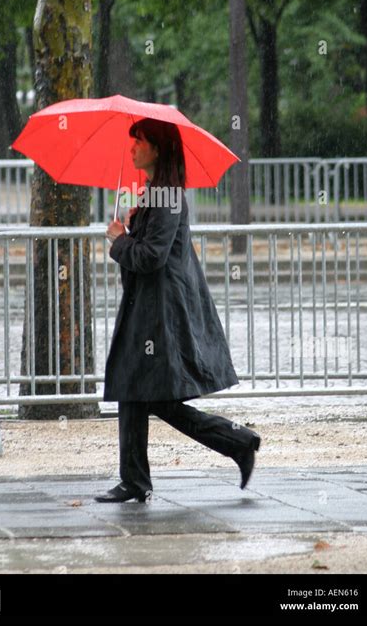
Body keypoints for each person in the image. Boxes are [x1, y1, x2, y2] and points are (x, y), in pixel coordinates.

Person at [94, 118, 261, 503]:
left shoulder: (167, 195)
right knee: (135, 390)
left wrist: (120, 241)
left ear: (158, 148)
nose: (132, 148)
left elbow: (152, 257)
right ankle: (138, 479)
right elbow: (151, 249)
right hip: (148, 308)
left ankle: (236, 442)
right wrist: (133, 226)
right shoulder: (156, 194)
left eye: (138, 141)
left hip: (159, 312)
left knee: (147, 393)